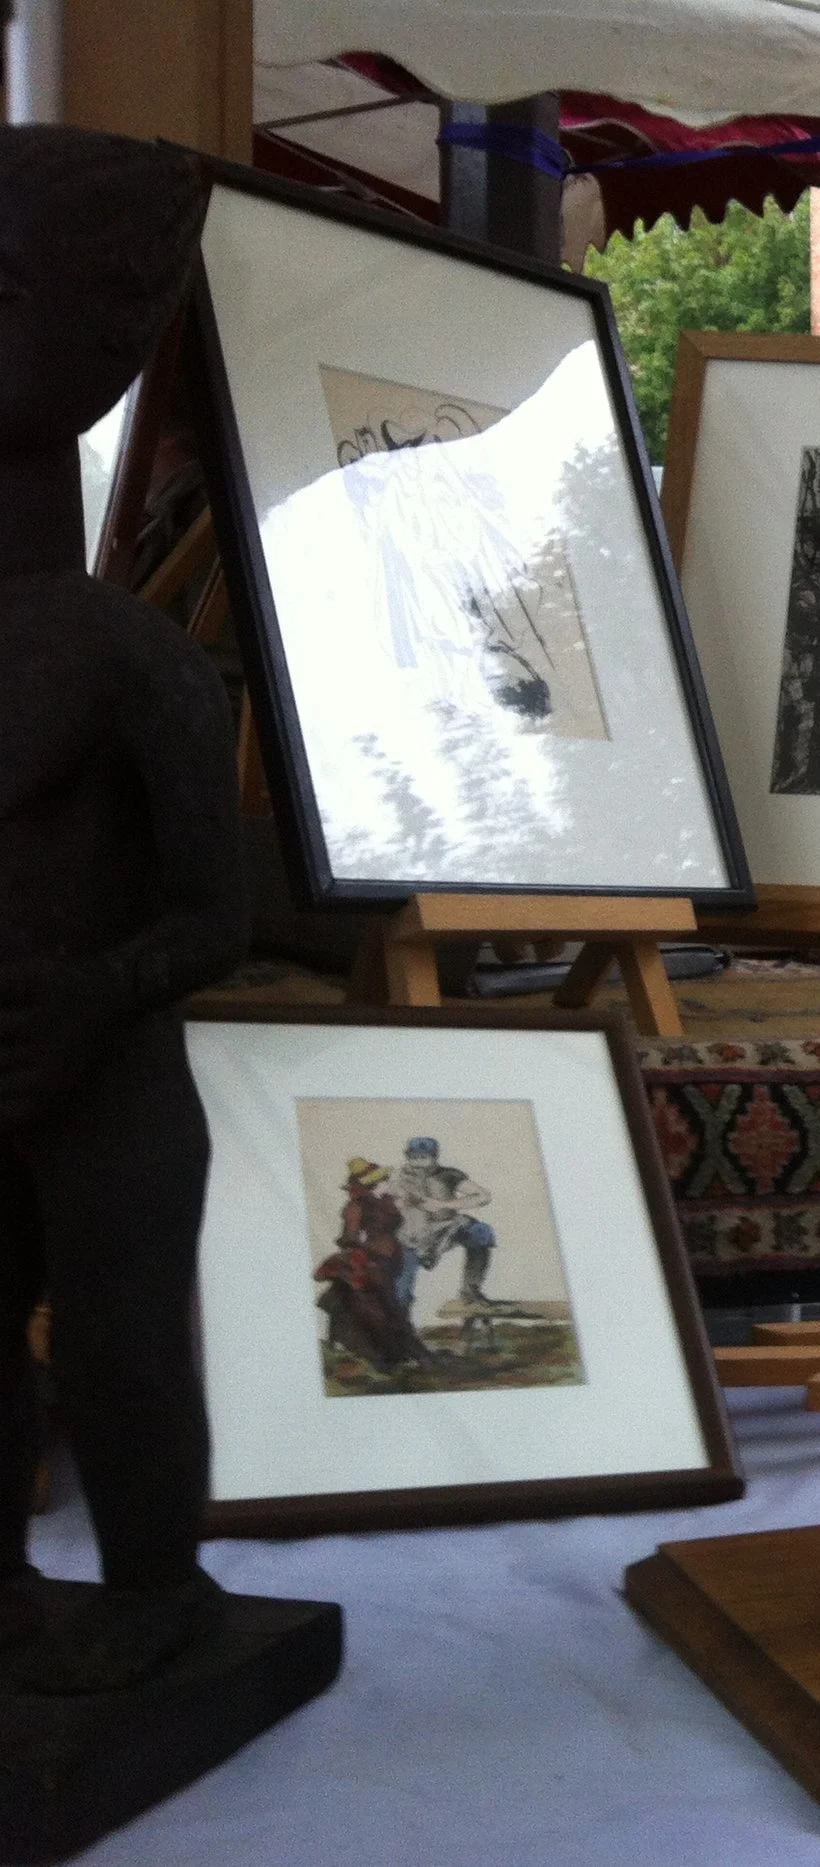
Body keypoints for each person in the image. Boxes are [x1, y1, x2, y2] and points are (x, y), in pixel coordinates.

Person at [0, 128, 248, 1695]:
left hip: (106, 1091)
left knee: (120, 1352)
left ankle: (159, 1585)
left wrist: (96, 997)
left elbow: (216, 912)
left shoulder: (123, 655)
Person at [312, 1160, 428, 1373]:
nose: (386, 1182)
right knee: (382, 1311)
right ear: (371, 1184)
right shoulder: (355, 1206)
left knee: (388, 1309)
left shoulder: (385, 1202)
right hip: (371, 1262)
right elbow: (350, 1237)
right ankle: (390, 1359)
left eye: (384, 1178)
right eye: (382, 1179)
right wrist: (364, 1253)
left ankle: (403, 1356)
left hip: (390, 1260)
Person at [392, 1137, 502, 1307]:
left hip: (444, 1231)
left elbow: (483, 1196)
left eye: (423, 1158)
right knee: (400, 1296)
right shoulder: (397, 1177)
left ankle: (470, 1290)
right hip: (410, 1238)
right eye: (414, 1157)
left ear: (434, 1157)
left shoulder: (447, 1175)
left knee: (480, 1232)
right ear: (407, 1156)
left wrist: (444, 1204)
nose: (418, 1162)